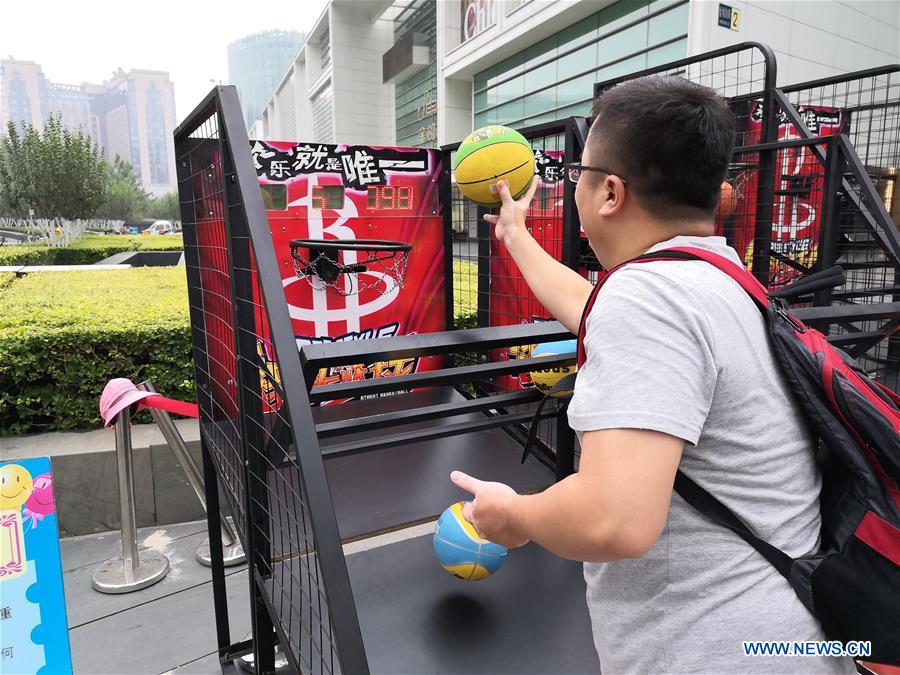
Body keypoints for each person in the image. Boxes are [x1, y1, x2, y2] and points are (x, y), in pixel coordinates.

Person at [450, 76, 855, 674]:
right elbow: (587, 304)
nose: (578, 187)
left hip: (711, 650)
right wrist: (515, 234)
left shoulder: (648, 299)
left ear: (610, 192)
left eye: (579, 174)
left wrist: (514, 518)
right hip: (789, 637)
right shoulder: (717, 276)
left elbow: (616, 519)